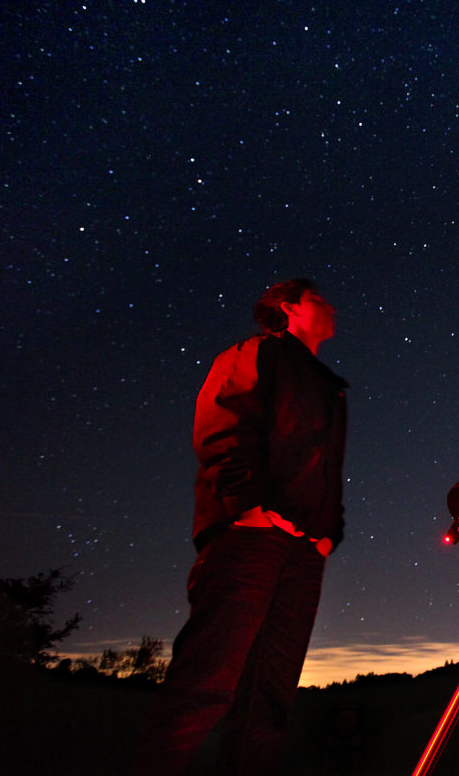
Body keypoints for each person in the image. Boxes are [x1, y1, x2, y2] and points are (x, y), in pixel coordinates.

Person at [132, 278, 348, 776]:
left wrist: (326, 534)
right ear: (289, 307)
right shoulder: (254, 354)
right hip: (249, 537)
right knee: (205, 680)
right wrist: (246, 507)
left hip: (302, 549)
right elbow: (224, 423)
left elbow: (327, 467)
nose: (332, 305)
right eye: (320, 298)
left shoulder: (328, 386)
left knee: (268, 697)